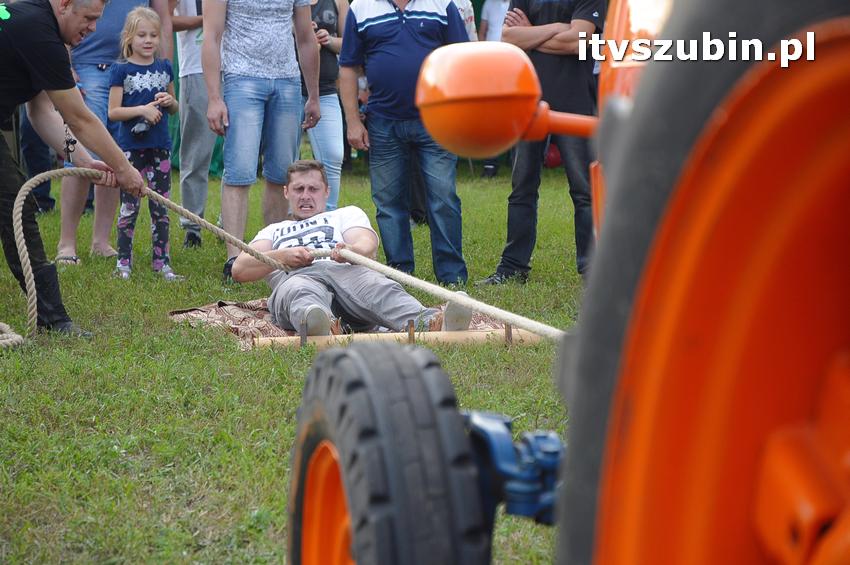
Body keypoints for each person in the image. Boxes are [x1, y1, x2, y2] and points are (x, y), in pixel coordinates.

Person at [0, 0, 145, 336]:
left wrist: (82, 159)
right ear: (64, 5)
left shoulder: (35, 24)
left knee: (11, 204)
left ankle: (52, 316)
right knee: (13, 205)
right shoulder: (38, 32)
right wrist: (123, 168)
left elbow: (43, 112)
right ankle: (53, 318)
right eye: (89, 18)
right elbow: (79, 117)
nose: (93, 28)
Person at [232, 160, 472, 335]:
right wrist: (282, 256)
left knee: (377, 285)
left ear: (327, 191)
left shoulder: (345, 214)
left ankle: (430, 322)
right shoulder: (273, 230)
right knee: (299, 292)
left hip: (345, 271)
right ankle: (320, 324)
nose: (306, 196)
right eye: (298, 189)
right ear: (286, 192)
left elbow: (368, 245)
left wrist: (350, 251)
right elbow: (240, 269)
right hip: (295, 277)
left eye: (313, 189)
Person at [339, 0, 470, 285]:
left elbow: (462, 60)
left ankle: (452, 278)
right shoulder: (361, 7)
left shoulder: (442, 3)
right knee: (388, 203)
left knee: (443, 199)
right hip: (383, 121)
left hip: (438, 119)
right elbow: (348, 67)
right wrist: (352, 121)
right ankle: (400, 275)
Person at [476, 0, 603, 284]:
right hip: (528, 102)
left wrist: (532, 33)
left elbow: (578, 41)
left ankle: (593, 271)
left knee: (584, 191)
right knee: (522, 188)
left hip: (574, 102)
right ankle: (512, 269)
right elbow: (509, 38)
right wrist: (559, 28)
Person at [203, 0, 321, 281]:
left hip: (287, 80)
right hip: (240, 78)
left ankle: (275, 257)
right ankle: (234, 259)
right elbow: (211, 35)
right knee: (239, 172)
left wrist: (314, 95)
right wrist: (214, 98)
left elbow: (306, 37)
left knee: (281, 174)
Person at [56, 0, 172, 266]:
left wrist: (163, 71)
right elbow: (61, 13)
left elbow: (163, 19)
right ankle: (67, 243)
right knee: (78, 149)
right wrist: (65, 64)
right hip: (86, 66)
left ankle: (100, 241)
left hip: (133, 70)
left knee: (115, 153)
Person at [108, 7, 183, 281]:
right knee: (129, 207)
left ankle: (162, 262)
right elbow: (113, 112)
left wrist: (169, 102)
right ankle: (123, 262)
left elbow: (175, 107)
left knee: (161, 207)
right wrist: (142, 109)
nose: (148, 40)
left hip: (160, 146)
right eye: (142, 35)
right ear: (129, 37)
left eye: (153, 34)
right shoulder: (121, 70)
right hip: (131, 149)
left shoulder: (164, 68)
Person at [170, 0, 219, 249]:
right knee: (195, 153)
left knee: (239, 153)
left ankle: (229, 223)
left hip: (236, 66)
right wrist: (208, 19)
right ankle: (192, 226)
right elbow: (163, 19)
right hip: (195, 68)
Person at [298, 0, 348, 212]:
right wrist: (299, 31)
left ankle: (327, 214)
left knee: (334, 156)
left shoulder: (339, 1)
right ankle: (287, 218)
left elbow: (350, 43)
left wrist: (329, 40)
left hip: (325, 88)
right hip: (288, 86)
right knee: (283, 159)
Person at [478, 0, 510, 179]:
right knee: (490, 113)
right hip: (491, 64)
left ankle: (515, 159)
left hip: (514, 62)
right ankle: (491, 162)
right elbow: (482, 32)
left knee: (514, 110)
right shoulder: (489, 3)